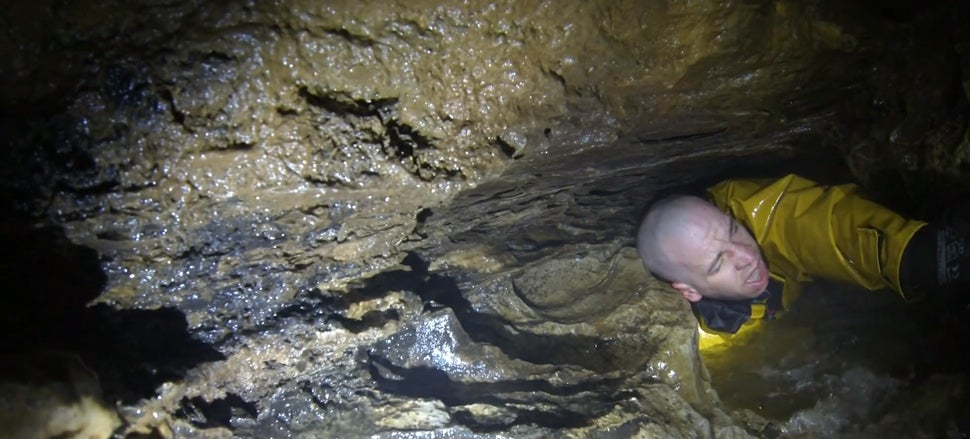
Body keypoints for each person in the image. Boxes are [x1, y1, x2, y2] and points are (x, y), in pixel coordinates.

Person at [636, 173, 968, 347]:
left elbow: (808, 219)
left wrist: (914, 256)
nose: (747, 255)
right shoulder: (705, 338)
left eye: (733, 231)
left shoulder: (745, 210)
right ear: (690, 291)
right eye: (718, 263)